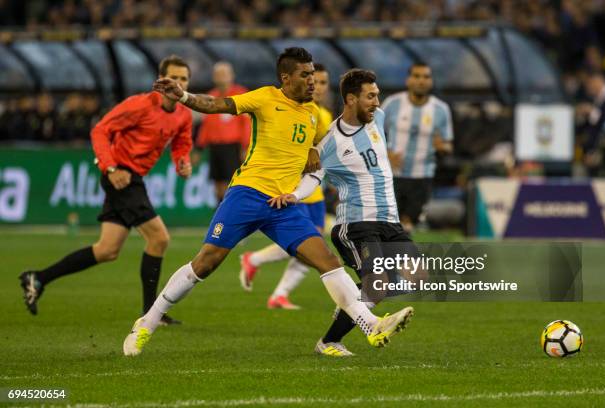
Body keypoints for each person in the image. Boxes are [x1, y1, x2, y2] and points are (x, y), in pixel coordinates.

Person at [123, 47, 413, 356]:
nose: (312, 81)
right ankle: (147, 322)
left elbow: (322, 146)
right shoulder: (264, 98)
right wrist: (183, 96)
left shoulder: (313, 113)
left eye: (313, 75)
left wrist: (315, 151)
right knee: (205, 264)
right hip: (247, 193)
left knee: (326, 260)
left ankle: (370, 326)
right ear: (286, 78)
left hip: (282, 205)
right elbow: (215, 104)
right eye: (305, 75)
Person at [19, 55, 194, 326]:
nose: (180, 83)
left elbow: (182, 142)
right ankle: (151, 313)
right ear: (161, 81)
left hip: (132, 178)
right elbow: (100, 131)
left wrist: (182, 161)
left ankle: (38, 278)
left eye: (184, 78)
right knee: (159, 239)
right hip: (121, 177)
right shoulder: (139, 105)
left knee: (107, 250)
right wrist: (111, 169)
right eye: (175, 77)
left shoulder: (183, 113)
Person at [269, 69, 417, 357]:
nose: (377, 102)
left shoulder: (379, 119)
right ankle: (335, 336)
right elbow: (315, 176)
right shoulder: (330, 143)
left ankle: (349, 307)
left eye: (377, 95)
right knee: (378, 284)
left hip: (389, 220)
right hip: (357, 224)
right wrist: (295, 196)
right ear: (351, 99)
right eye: (370, 96)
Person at [238, 62, 333, 310]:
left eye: (323, 82)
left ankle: (278, 292)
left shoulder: (321, 115)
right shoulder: (302, 111)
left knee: (314, 242)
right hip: (296, 190)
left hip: (314, 190)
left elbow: (323, 156)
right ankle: (256, 261)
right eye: (315, 80)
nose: (318, 86)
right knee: (310, 242)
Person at [381, 62, 453, 233]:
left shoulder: (441, 109)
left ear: (431, 81)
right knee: (391, 222)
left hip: (422, 175)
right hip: (391, 174)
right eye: (417, 76)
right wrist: (385, 153)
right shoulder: (392, 104)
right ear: (408, 80)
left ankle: (400, 257)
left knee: (408, 223)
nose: (421, 81)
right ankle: (397, 257)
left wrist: (442, 147)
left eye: (426, 77)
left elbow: (448, 145)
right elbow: (371, 133)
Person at [195, 61, 251, 203]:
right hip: (215, 147)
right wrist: (199, 148)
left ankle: (232, 215)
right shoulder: (210, 97)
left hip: (233, 147)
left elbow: (247, 123)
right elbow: (206, 126)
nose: (221, 78)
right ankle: (220, 215)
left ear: (232, 76)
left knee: (232, 184)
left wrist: (245, 147)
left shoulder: (240, 95)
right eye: (218, 74)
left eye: (224, 74)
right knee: (217, 185)